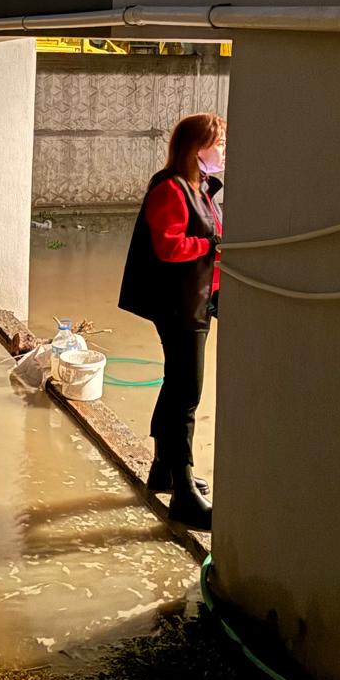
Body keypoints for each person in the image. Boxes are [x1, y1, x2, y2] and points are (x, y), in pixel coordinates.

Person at [118, 113, 226, 530]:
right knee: (186, 396)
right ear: (195, 149)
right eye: (219, 144)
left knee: (177, 387)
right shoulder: (170, 188)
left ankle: (165, 470)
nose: (223, 152)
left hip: (196, 301)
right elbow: (170, 248)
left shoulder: (201, 189)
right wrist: (212, 243)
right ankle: (183, 494)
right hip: (180, 308)